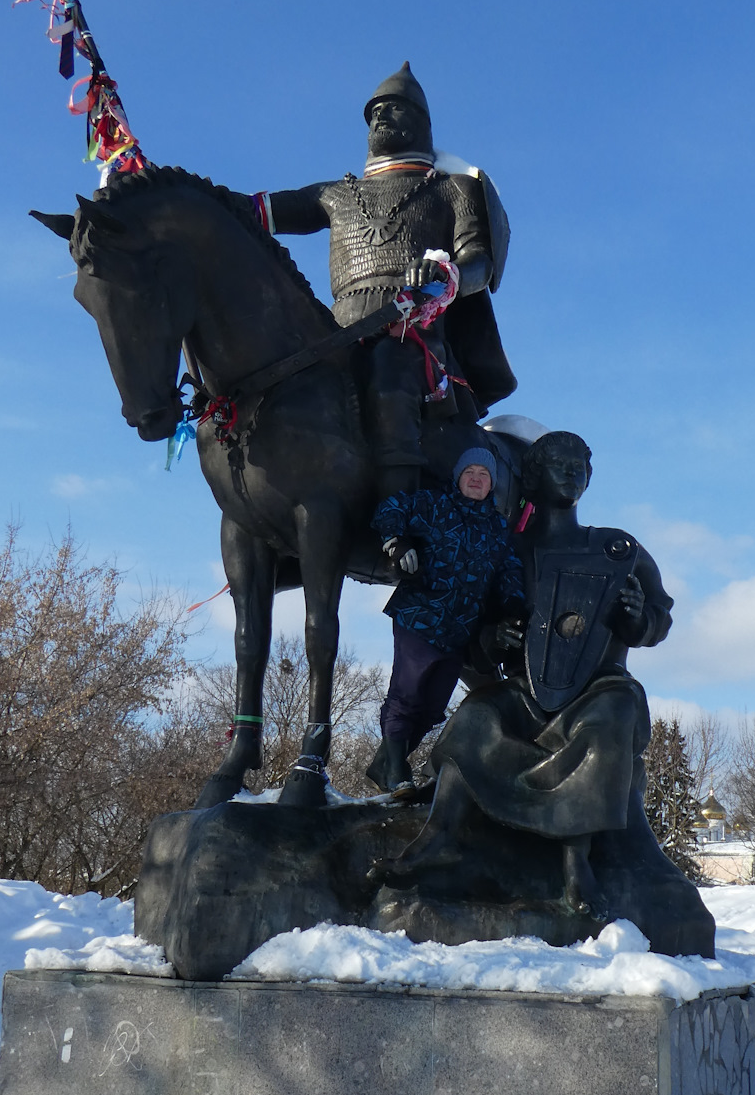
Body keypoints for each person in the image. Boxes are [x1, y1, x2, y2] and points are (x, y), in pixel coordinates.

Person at [380, 431, 673, 920]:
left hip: (599, 685)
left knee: (608, 721)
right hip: (526, 689)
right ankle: (437, 841)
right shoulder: (504, 545)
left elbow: (658, 620)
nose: (572, 472)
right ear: (531, 477)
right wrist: (495, 638)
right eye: (558, 463)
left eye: (580, 464)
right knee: (474, 719)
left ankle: (576, 864)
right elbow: (475, 625)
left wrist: (638, 616)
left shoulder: (617, 549)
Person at [250, 64, 515, 496]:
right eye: (374, 112)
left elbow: (479, 265)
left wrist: (446, 273)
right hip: (335, 332)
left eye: (392, 109)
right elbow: (250, 212)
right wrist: (173, 197)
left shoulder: (453, 189)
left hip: (415, 335)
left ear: (421, 122)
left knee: (392, 371)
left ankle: (398, 520)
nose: (379, 119)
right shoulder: (332, 193)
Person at [366, 446, 524, 795]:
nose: (476, 479)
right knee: (406, 695)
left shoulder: (497, 527)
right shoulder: (433, 505)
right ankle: (395, 768)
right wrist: (397, 542)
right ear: (458, 477)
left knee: (434, 706)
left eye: (484, 475)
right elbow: (390, 508)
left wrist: (515, 606)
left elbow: (509, 570)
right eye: (470, 473)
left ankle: (386, 762)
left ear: (491, 485)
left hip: (458, 630)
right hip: (419, 616)